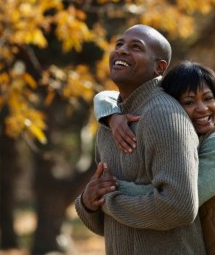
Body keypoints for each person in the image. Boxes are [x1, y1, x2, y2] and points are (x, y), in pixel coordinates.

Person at [94, 61, 215, 255]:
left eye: (208, 98)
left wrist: (108, 192)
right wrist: (113, 116)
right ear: (173, 107)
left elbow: (178, 197)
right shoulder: (188, 134)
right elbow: (107, 96)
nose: (202, 108)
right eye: (189, 102)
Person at [75, 25, 206, 255]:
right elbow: (107, 225)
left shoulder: (164, 116)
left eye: (136, 47)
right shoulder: (108, 123)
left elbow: (180, 206)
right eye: (119, 44)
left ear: (159, 67)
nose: (122, 50)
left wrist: (110, 201)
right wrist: (87, 201)